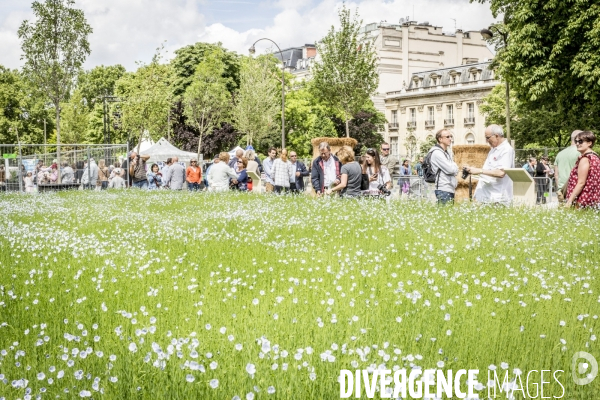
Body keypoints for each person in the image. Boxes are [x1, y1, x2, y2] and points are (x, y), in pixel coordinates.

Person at [464, 124, 515, 205]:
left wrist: (479, 171)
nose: (486, 140)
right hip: (487, 195)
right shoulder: (493, 149)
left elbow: (501, 173)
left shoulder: (506, 150)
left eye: (488, 137)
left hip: (498, 197)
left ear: (496, 136)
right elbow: (489, 170)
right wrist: (474, 171)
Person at [565, 131, 600, 208]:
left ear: (589, 143)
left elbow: (581, 183)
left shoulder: (585, 159)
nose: (577, 144)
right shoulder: (595, 157)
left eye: (580, 141)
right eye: (576, 141)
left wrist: (569, 201)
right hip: (592, 200)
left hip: (582, 200)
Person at [428, 129, 459, 204]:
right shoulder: (437, 153)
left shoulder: (445, 153)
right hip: (443, 190)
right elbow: (451, 169)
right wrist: (455, 167)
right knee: (444, 214)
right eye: (447, 137)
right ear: (440, 139)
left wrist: (454, 167)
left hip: (449, 188)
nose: (450, 139)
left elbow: (454, 168)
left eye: (451, 136)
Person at [554, 130, 583, 202]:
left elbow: (556, 175)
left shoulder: (560, 153)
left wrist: (560, 189)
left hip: (561, 189)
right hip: (575, 189)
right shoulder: (581, 152)